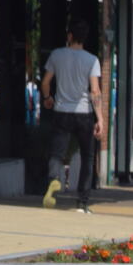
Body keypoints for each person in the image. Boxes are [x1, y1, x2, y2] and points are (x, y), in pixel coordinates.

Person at [41, 18, 104, 213]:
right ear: (84, 39)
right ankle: (82, 202)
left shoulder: (57, 55)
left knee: (57, 153)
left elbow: (45, 82)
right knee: (87, 157)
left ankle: (54, 179)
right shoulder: (92, 60)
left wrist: (47, 98)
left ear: (69, 36)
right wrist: (100, 118)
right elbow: (95, 91)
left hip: (61, 111)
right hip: (83, 114)